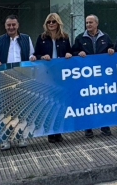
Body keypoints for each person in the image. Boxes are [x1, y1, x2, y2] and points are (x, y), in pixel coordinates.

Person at [0, 15, 36, 150]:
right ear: (5, 26)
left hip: (23, 78)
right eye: (8, 25)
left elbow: (31, 55)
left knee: (22, 109)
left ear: (18, 25)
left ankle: (21, 137)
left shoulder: (26, 38)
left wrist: (33, 57)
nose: (11, 27)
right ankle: (6, 139)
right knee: (6, 111)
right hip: (5, 79)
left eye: (13, 25)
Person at [71, 14, 115, 138]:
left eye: (90, 22)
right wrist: (78, 53)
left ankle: (104, 126)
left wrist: (111, 50)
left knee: (102, 100)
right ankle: (88, 128)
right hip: (86, 75)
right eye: (86, 23)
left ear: (96, 23)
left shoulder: (105, 37)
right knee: (87, 101)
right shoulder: (80, 38)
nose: (88, 25)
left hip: (101, 75)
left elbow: (111, 48)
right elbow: (73, 51)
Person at [35, 13, 72, 143]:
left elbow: (70, 52)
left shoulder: (65, 37)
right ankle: (50, 132)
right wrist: (42, 57)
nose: (51, 24)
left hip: (61, 74)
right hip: (47, 74)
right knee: (49, 103)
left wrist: (69, 54)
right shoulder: (41, 38)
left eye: (53, 22)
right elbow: (36, 55)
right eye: (49, 22)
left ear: (58, 23)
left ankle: (59, 131)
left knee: (60, 103)